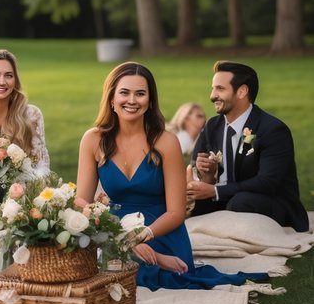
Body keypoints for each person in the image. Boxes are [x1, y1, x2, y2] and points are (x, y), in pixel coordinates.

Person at [76, 62, 267, 291]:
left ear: (150, 100)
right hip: (116, 230)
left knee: (143, 275)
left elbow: (176, 212)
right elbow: (82, 205)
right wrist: (125, 240)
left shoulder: (166, 141)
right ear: (111, 98)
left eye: (140, 94)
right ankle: (145, 260)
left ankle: (155, 260)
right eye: (124, 92)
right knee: (109, 268)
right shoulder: (93, 140)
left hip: (161, 230)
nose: (132, 100)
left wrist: (143, 235)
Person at [188, 61, 308, 231]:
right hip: (225, 199)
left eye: (220, 89)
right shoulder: (212, 126)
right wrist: (207, 176)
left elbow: (267, 182)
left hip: (271, 202)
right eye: (213, 88)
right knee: (188, 202)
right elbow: (194, 167)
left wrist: (215, 191)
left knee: (240, 202)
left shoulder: (273, 130)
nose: (212, 96)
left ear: (242, 91)